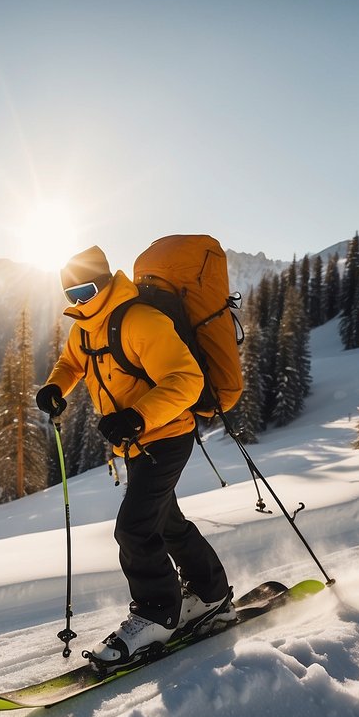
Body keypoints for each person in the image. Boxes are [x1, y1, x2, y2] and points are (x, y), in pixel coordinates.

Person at [36, 245, 235, 671]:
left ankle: (156, 614)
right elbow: (72, 363)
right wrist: (57, 386)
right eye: (70, 294)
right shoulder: (84, 330)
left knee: (133, 528)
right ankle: (212, 595)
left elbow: (186, 379)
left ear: (106, 281)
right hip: (134, 443)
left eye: (87, 289)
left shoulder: (141, 321)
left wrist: (137, 417)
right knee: (166, 523)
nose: (79, 301)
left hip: (165, 436)